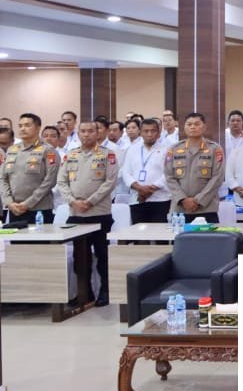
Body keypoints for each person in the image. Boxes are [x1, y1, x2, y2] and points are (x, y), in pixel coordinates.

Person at [56, 121, 118, 305]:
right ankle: (85, 293)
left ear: (97, 133)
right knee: (80, 257)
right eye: (83, 131)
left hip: (99, 212)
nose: (86, 134)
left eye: (91, 131)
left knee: (102, 255)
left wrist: (90, 201)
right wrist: (73, 201)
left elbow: (110, 182)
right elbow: (61, 182)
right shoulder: (71, 155)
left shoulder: (107, 154)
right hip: (76, 213)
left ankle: (106, 292)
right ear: (78, 134)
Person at [163, 112, 225, 224]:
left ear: (204, 127)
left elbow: (218, 177)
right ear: (184, 127)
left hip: (206, 208)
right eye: (189, 124)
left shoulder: (215, 149)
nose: (192, 127)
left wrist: (198, 200)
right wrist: (182, 199)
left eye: (197, 124)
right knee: (179, 236)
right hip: (180, 209)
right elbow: (169, 176)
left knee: (209, 235)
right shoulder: (174, 149)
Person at [0, 113, 61, 224]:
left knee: (40, 236)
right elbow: (3, 178)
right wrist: (9, 202)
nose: (23, 129)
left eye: (27, 125)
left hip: (39, 210)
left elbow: (50, 181)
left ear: (38, 128)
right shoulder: (12, 150)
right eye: (20, 126)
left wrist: (28, 203)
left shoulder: (48, 150)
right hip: (15, 209)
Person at [121, 118, 172, 224]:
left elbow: (169, 173)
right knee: (138, 232)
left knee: (159, 232)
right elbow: (126, 172)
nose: (149, 134)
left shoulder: (167, 149)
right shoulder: (132, 149)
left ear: (159, 133)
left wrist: (150, 189)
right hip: (137, 198)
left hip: (160, 199)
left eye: (153, 131)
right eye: (146, 131)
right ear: (140, 132)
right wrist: (140, 188)